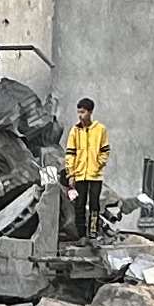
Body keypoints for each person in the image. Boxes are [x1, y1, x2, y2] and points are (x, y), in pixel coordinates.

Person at [61, 97, 109, 246]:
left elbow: (105, 150)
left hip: (95, 175)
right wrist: (71, 174)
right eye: (78, 113)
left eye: (82, 112)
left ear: (90, 112)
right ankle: (81, 235)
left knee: (94, 205)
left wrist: (98, 164)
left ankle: (93, 235)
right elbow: (70, 154)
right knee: (79, 205)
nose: (80, 116)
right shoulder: (75, 131)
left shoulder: (100, 130)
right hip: (79, 174)